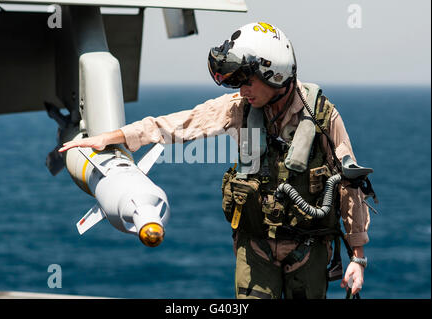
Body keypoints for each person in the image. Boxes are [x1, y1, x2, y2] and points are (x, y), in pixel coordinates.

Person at [59, 22, 372, 299]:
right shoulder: (240, 108)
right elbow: (180, 124)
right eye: (238, 83)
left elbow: (349, 185)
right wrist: (113, 137)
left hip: (308, 250)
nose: (242, 90)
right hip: (256, 248)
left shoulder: (321, 116)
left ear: (275, 74)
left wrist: (356, 258)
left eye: (247, 81)